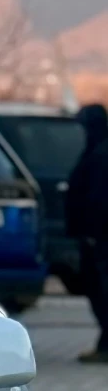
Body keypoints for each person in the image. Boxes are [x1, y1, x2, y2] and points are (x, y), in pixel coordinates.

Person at [65, 104, 108, 361]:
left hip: (100, 238)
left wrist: (94, 233)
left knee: (101, 291)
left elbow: (99, 199)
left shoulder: (101, 155)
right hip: (95, 236)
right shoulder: (96, 152)